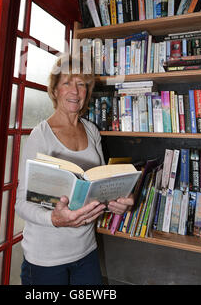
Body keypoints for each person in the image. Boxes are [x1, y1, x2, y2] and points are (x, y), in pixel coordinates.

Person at [15, 53, 134, 285]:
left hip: (86, 250)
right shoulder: (40, 135)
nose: (75, 91)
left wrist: (120, 201)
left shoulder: (91, 131)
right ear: (55, 90)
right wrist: (55, 219)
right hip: (46, 259)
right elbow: (21, 203)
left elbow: (97, 188)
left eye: (81, 85)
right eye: (67, 83)